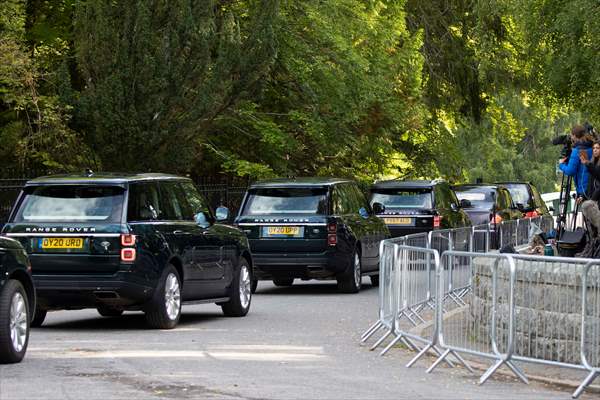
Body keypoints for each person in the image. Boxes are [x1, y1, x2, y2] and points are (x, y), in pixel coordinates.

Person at [577, 141, 600, 256]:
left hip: (597, 202)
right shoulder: (592, 162)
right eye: (594, 148)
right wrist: (582, 196)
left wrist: (587, 164)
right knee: (592, 231)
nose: (595, 150)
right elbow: (590, 184)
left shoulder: (593, 165)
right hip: (592, 200)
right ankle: (592, 249)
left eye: (598, 148)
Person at [559, 125, 594, 201]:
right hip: (595, 187)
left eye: (571, 135)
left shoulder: (577, 150)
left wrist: (561, 165)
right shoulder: (593, 146)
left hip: (584, 190)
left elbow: (570, 171)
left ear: (574, 136)